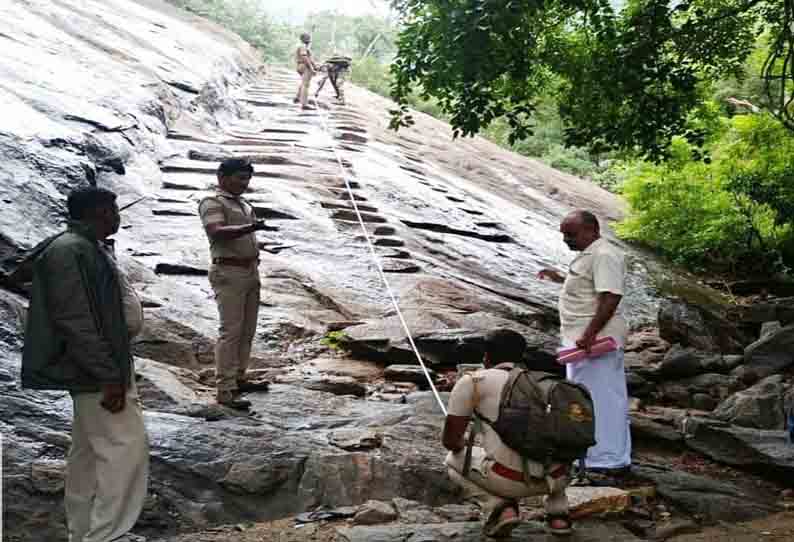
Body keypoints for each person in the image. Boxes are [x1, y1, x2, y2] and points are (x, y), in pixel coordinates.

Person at [21, 187, 149, 542]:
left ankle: (85, 532)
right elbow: (77, 320)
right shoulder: (68, 250)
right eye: (112, 210)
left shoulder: (82, 245)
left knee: (90, 454)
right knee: (124, 448)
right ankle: (106, 534)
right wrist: (108, 375)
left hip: (102, 365)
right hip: (96, 371)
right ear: (97, 213)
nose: (117, 216)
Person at [442, 329, 572, 537]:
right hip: (559, 477)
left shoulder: (473, 381)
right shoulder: (546, 382)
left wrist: (464, 444)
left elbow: (450, 441)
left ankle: (500, 507)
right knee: (547, 441)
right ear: (522, 356)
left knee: (451, 460)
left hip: (511, 481)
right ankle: (558, 515)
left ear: (486, 357)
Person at [538, 210, 632, 482]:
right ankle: (591, 454)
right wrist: (559, 278)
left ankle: (609, 459)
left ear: (592, 229)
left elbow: (611, 296)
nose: (566, 239)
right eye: (563, 234)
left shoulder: (604, 254)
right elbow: (589, 288)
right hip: (581, 342)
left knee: (601, 399)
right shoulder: (590, 254)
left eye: (571, 234)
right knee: (583, 398)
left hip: (594, 342)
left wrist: (591, 334)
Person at [198, 158, 270, 410]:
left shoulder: (243, 203)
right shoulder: (212, 202)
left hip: (249, 270)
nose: (244, 183)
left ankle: (239, 377)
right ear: (222, 176)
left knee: (247, 330)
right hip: (228, 271)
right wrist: (250, 227)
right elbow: (216, 231)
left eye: (247, 179)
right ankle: (225, 390)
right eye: (240, 178)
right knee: (231, 331)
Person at [294, 32, 318, 110]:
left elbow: (309, 58)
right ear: (305, 39)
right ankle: (304, 104)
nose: (309, 40)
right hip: (304, 66)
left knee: (303, 82)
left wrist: (315, 66)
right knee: (306, 85)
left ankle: (297, 97)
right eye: (308, 38)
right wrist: (311, 68)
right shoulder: (303, 46)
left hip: (301, 66)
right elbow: (304, 57)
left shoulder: (303, 47)